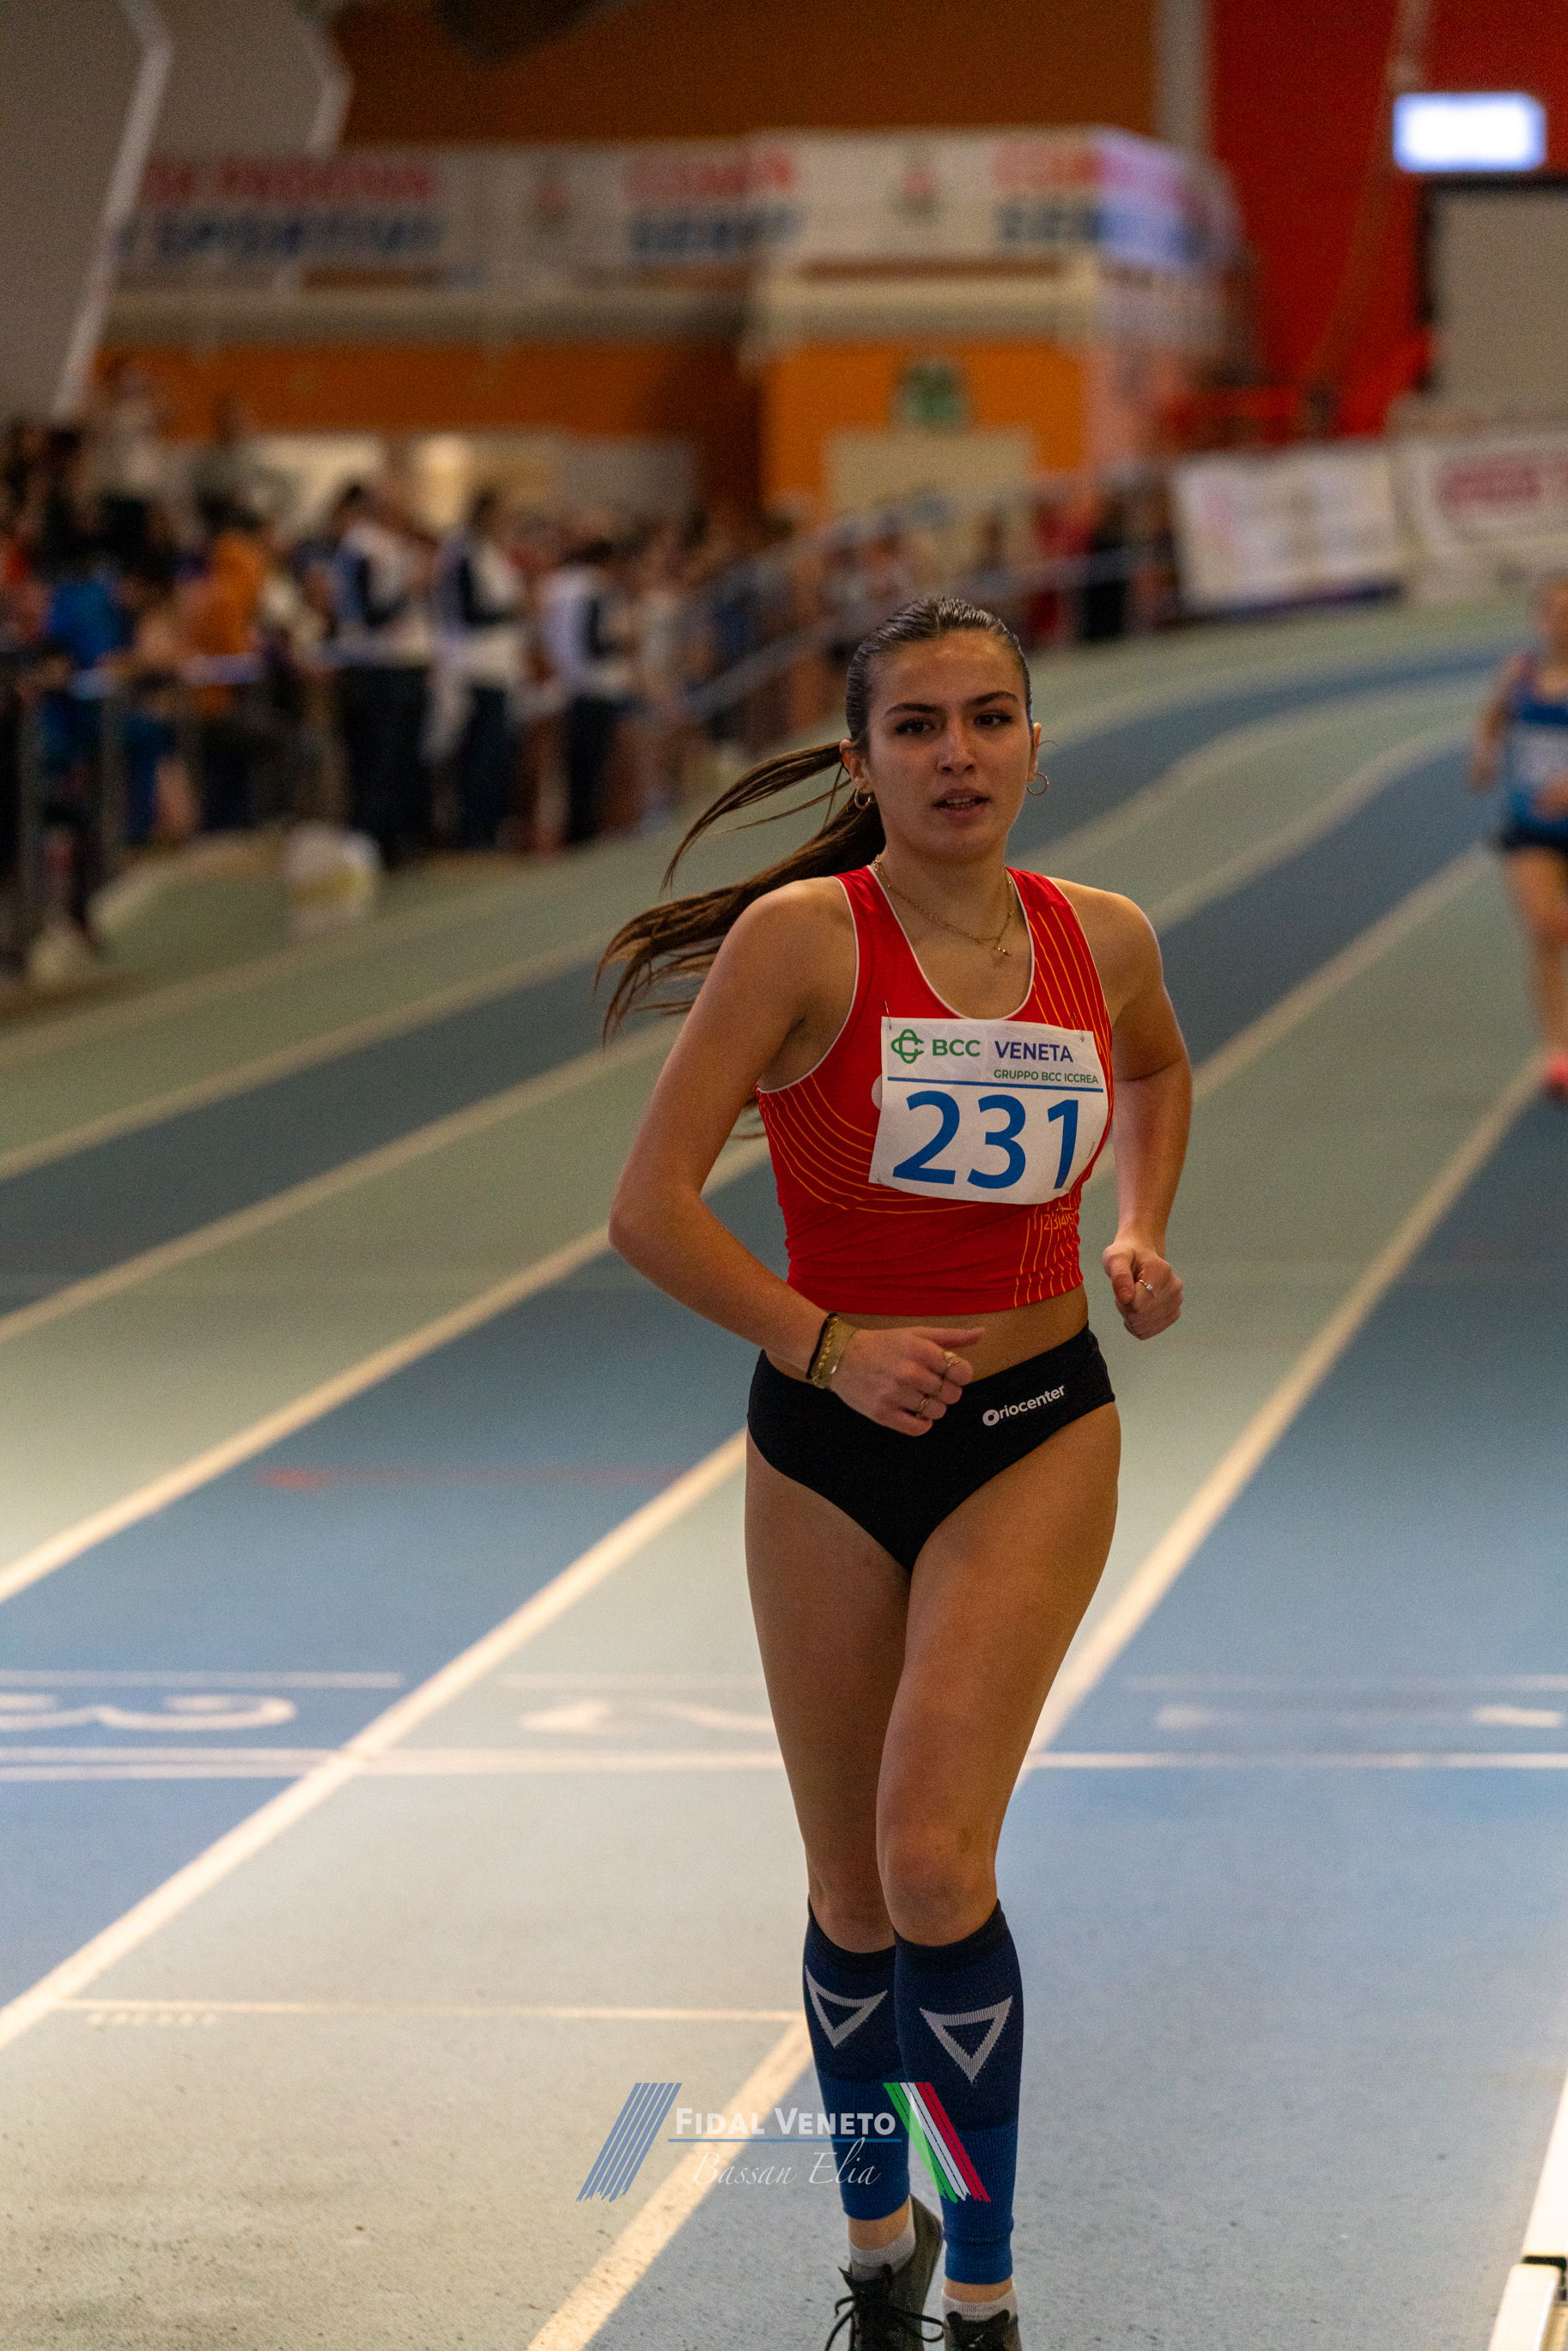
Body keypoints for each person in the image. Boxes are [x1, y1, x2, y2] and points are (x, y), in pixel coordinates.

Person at [604, 596, 1189, 2351]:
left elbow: (1158, 1065)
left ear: (1033, 743)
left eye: (989, 718)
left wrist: (1140, 1226)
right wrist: (826, 1344)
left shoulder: (1103, 935)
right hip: (830, 1445)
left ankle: (983, 2293)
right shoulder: (801, 941)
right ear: (861, 760)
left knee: (932, 1859)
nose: (958, 754)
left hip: (1033, 1427)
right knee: (852, 1894)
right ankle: (879, 2248)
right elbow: (648, 1210)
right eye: (917, 725)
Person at [1471, 574, 1568, 1099]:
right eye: (1553, 611)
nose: (1562, 621)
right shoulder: (1519, 673)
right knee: (1545, 930)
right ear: (1538, 619)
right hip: (1532, 826)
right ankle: (1559, 1052)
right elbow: (1492, 720)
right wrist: (1484, 756)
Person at [433, 488, 525, 848]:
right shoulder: (464, 552)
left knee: (496, 754)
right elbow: (469, 612)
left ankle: (487, 827)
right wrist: (513, 610)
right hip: (476, 666)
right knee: (478, 753)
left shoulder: (493, 553)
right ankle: (471, 830)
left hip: (500, 666)